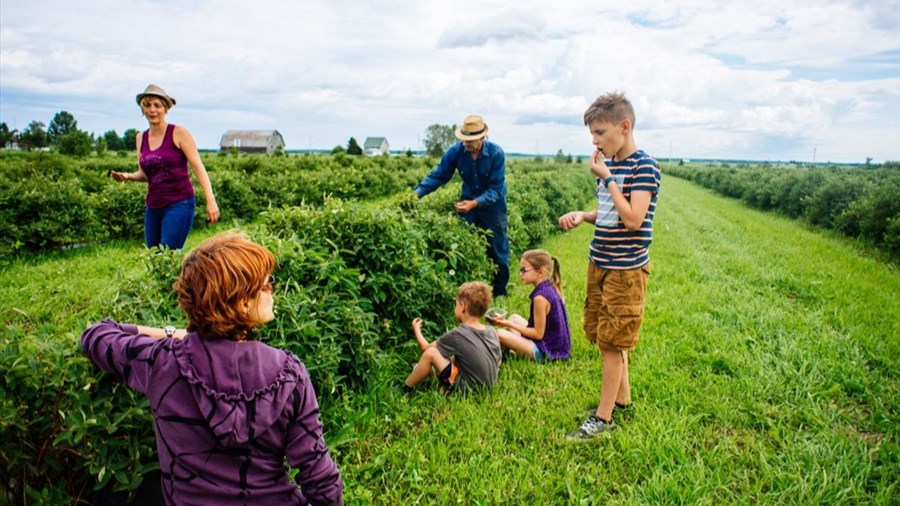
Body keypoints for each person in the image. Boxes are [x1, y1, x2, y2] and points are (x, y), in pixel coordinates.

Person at [81, 232, 343, 505]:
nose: (272, 291)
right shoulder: (288, 374)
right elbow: (322, 481)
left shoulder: (162, 362)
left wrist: (175, 335)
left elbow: (97, 334)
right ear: (243, 303)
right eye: (267, 285)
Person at [557, 92, 661, 440]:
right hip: (599, 262)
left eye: (600, 132)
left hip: (625, 270)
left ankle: (602, 419)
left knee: (612, 343)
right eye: (592, 134)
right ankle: (622, 400)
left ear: (624, 126)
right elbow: (610, 213)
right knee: (604, 334)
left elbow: (633, 219)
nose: (595, 141)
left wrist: (608, 178)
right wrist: (583, 215)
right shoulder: (610, 165)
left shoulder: (644, 166)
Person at [110, 84, 219, 250]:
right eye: (147, 105)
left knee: (168, 254)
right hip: (153, 206)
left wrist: (210, 200)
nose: (152, 110)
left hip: (180, 203)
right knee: (154, 257)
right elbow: (145, 174)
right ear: (142, 109)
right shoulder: (140, 138)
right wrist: (127, 176)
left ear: (165, 108)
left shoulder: (179, 133)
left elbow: (198, 168)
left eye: (157, 105)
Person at [414, 115, 509, 297]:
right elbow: (439, 175)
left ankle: (499, 292)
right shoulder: (456, 152)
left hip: (493, 207)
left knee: (497, 247)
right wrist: (416, 194)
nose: (466, 144)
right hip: (468, 201)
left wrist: (475, 203)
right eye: (464, 140)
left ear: (482, 138)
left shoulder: (496, 153)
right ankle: (471, 289)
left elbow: (496, 190)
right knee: (466, 243)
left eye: (470, 140)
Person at [404, 281, 502, 394]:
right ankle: (428, 371)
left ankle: (407, 387)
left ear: (463, 306)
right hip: (489, 386)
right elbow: (498, 362)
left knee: (431, 353)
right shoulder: (491, 331)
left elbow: (426, 348)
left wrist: (416, 329)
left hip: (466, 390)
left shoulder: (458, 334)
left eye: (456, 304)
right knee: (452, 355)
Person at [490, 249, 572, 362]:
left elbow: (538, 334)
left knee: (500, 334)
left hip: (547, 352)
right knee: (514, 317)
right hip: (552, 343)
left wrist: (507, 324)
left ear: (541, 272)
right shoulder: (549, 286)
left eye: (524, 270)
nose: (520, 274)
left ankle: (502, 354)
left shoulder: (540, 298)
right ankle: (510, 349)